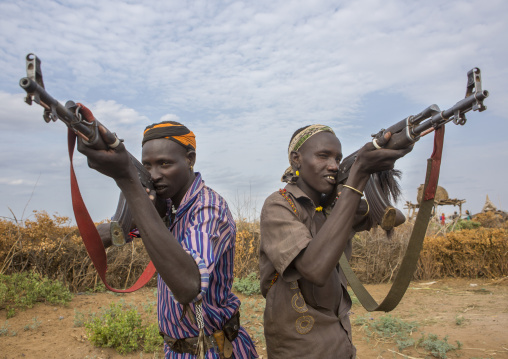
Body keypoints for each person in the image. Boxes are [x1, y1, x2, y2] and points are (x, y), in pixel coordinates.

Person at [78, 120, 258, 359]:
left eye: (165, 164)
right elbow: (97, 242)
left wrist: (128, 182)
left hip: (214, 350)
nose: (155, 175)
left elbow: (188, 288)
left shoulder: (208, 208)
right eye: (147, 166)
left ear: (190, 159)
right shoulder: (168, 207)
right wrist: (126, 220)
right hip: (176, 350)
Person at [259, 125, 411, 358]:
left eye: (338, 159)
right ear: (296, 159)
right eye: (323, 156)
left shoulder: (336, 206)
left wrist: (373, 177)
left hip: (340, 344)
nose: (333, 165)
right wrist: (355, 183)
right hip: (300, 349)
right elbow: (314, 269)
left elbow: (395, 217)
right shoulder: (279, 206)